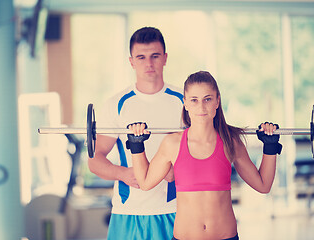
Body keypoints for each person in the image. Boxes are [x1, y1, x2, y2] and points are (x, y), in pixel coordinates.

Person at [126, 71, 283, 240]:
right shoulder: (172, 144)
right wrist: (137, 145)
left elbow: (263, 185)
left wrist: (270, 146)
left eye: (207, 99)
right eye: (194, 100)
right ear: (185, 103)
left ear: (217, 101)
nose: (201, 107)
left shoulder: (231, 142)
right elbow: (145, 182)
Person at [88, 27, 184, 239]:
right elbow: (95, 160)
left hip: (176, 210)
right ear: (131, 61)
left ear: (165, 58)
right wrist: (122, 173)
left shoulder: (185, 101)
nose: (148, 64)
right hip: (128, 211)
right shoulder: (117, 104)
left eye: (155, 56)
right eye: (141, 57)